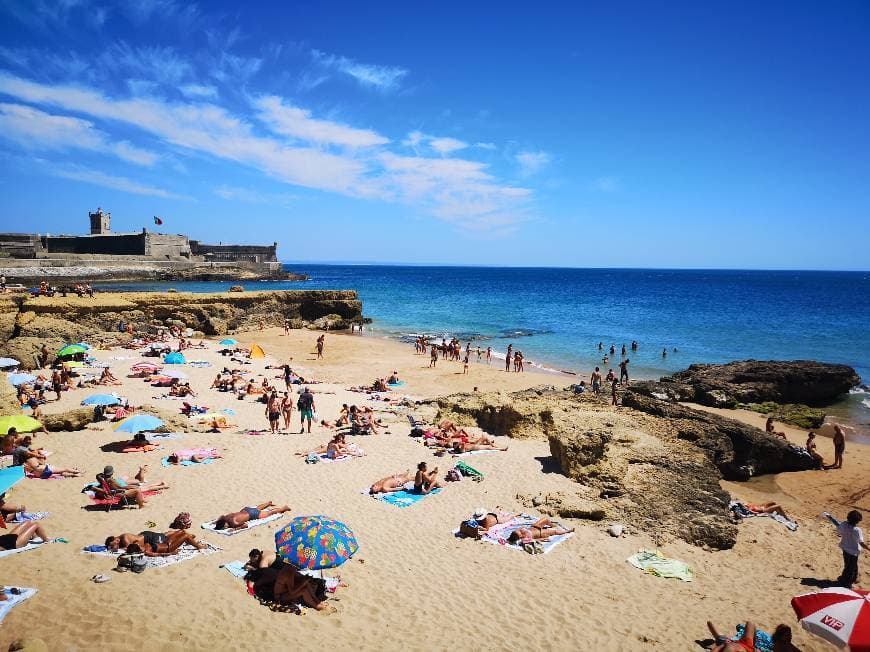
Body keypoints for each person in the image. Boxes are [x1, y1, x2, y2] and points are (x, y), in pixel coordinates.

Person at [829, 510, 869, 588]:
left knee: (848, 565)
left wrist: (830, 517)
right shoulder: (857, 530)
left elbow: (837, 524)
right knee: (851, 568)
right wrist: (868, 549)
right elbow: (861, 543)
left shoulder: (844, 524)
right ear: (857, 521)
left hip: (845, 549)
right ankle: (847, 583)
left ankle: (848, 578)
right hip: (853, 552)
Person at [105, 530, 207, 556]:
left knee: (183, 533)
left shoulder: (128, 539)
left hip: (163, 543)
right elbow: (156, 554)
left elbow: (129, 546)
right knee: (184, 535)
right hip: (167, 547)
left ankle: (190, 539)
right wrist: (171, 553)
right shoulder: (145, 550)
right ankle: (198, 546)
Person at [213, 502, 290, 530]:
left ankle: (284, 508)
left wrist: (236, 529)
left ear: (224, 524)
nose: (225, 528)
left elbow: (246, 525)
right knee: (257, 508)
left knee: (269, 513)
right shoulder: (225, 517)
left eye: (224, 527)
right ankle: (268, 503)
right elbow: (219, 520)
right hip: (245, 510)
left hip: (252, 514)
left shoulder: (234, 523)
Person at [506, 516, 574, 544]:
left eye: (519, 532)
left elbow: (521, 527)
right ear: (518, 538)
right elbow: (534, 540)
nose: (520, 533)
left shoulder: (516, 532)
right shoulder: (523, 540)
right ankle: (567, 531)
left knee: (545, 519)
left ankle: (554, 525)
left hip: (534, 527)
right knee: (555, 531)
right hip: (540, 533)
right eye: (519, 535)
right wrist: (544, 538)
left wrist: (522, 530)